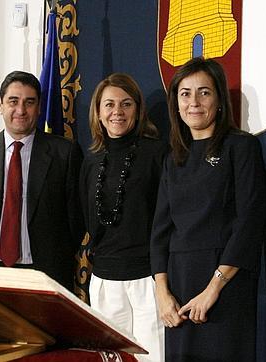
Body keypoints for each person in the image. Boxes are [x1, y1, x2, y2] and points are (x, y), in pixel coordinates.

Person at [150, 57, 266, 361]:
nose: (194, 102)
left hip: (225, 285)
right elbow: (160, 232)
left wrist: (214, 289)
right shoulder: (172, 157)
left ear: (219, 100)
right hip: (179, 286)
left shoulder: (241, 148)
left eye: (204, 92)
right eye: (185, 93)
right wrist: (163, 294)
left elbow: (249, 223)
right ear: (175, 103)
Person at [0, 71, 84, 291]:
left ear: (38, 108)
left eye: (29, 102)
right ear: (1, 106)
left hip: (45, 272)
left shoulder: (65, 152)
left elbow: (76, 217)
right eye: (13, 101)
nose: (21, 110)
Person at [80, 73, 167, 362]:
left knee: (152, 357)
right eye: (109, 105)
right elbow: (87, 220)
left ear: (138, 109)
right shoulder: (91, 160)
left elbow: (167, 219)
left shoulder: (157, 153)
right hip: (104, 279)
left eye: (126, 104)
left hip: (147, 280)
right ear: (98, 112)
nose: (117, 112)